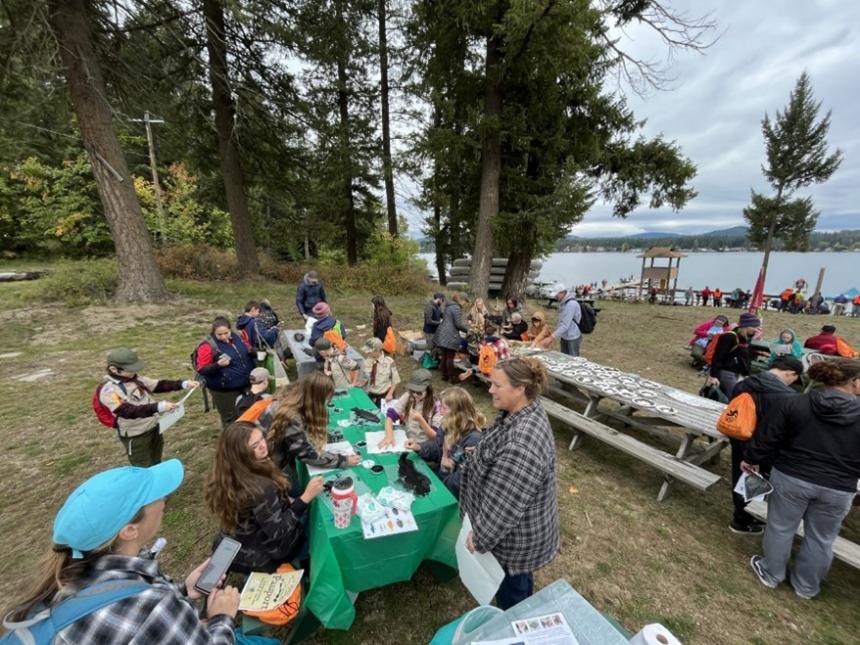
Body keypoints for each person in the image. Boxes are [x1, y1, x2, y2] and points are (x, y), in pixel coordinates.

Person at [4, 459, 239, 643]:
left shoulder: (73, 574)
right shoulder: (152, 606)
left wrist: (183, 591)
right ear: (129, 531)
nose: (163, 499)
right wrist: (222, 617)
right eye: (155, 497)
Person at [744, 359, 860, 599]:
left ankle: (772, 572)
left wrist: (751, 458)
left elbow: (768, 437)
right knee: (822, 538)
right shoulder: (795, 402)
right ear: (854, 382)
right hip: (838, 486)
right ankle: (806, 587)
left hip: (792, 477)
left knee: (780, 527)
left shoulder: (795, 402)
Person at [460, 357, 559, 609]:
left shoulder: (521, 445)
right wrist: (482, 452)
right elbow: (499, 444)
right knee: (516, 586)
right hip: (514, 533)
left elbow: (503, 507)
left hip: (513, 545)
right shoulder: (521, 411)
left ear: (520, 389)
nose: (490, 389)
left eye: (497, 385)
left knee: (513, 599)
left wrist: (480, 537)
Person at [206, 421, 325, 574]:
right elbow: (279, 531)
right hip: (262, 554)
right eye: (254, 446)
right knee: (313, 519)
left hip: (234, 541)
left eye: (261, 439)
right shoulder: (261, 486)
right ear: (240, 453)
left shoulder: (230, 470)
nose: (263, 446)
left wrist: (287, 501)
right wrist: (306, 498)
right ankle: (307, 566)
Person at [726, 356, 803, 535]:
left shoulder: (743, 383)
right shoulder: (786, 396)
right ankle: (743, 520)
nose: (793, 383)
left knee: (741, 477)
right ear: (790, 373)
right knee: (756, 482)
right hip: (765, 446)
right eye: (794, 379)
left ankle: (742, 516)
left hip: (739, 438)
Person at [98, 348, 197, 467]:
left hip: (154, 428)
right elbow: (127, 411)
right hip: (137, 436)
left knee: (156, 461)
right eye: (130, 370)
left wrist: (183, 384)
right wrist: (158, 407)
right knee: (142, 467)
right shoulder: (109, 391)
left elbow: (158, 385)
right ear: (114, 369)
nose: (134, 372)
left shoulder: (135, 379)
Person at [267, 373, 361, 478]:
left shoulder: (296, 395)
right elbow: (306, 454)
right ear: (316, 398)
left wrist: (331, 438)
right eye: (324, 400)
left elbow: (305, 430)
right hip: (267, 467)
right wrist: (343, 460)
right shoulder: (291, 416)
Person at [405, 387, 484, 498]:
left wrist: (444, 470)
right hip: (442, 478)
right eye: (440, 406)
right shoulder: (448, 424)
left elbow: (458, 484)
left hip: (454, 493)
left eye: (444, 408)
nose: (440, 412)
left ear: (458, 412)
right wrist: (419, 447)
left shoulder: (473, 440)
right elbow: (437, 447)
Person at [195, 317, 255, 429]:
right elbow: (202, 369)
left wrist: (254, 353)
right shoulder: (207, 346)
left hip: (245, 384)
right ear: (214, 332)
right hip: (223, 390)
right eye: (219, 334)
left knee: (248, 413)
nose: (223, 336)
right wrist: (218, 365)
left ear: (230, 330)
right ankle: (231, 443)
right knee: (230, 419)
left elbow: (248, 349)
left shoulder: (238, 337)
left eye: (226, 333)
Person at [379, 368, 442, 447]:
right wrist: (389, 436)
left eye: (419, 392)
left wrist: (421, 420)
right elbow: (390, 417)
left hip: (424, 446)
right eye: (413, 391)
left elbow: (434, 436)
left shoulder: (437, 405)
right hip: (406, 440)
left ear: (428, 390)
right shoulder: (408, 396)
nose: (415, 394)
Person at [709, 312, 760, 398]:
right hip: (726, 372)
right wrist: (714, 376)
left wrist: (746, 373)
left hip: (739, 374)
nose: (756, 330)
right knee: (734, 397)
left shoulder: (747, 338)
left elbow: (746, 357)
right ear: (745, 326)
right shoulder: (729, 337)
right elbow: (718, 357)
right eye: (754, 327)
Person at [435, 292, 470, 384]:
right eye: (465, 301)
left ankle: (444, 376)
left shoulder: (449, 306)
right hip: (450, 334)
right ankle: (452, 379)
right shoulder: (457, 308)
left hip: (443, 332)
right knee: (450, 357)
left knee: (445, 356)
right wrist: (468, 330)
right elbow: (458, 324)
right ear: (461, 300)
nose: (465, 303)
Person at [540, 284, 582, 356]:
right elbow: (561, 321)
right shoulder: (562, 303)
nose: (555, 297)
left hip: (572, 337)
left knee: (574, 359)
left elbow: (565, 325)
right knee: (564, 357)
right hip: (564, 336)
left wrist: (551, 338)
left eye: (556, 295)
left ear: (562, 293)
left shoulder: (571, 304)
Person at [361, 337, 400, 405]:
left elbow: (395, 380)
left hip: (384, 395)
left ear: (377, 350)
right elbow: (367, 377)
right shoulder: (367, 361)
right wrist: (362, 383)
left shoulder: (389, 362)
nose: (367, 353)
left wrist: (390, 394)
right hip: (371, 393)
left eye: (369, 351)